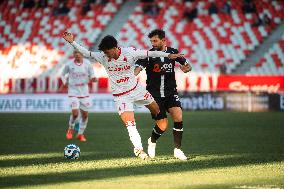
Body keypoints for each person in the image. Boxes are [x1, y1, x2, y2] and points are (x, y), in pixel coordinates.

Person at [62, 31, 183, 160]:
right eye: (104, 53)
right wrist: (72, 42)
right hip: (121, 96)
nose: (106, 55)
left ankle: (152, 139)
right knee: (130, 124)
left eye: (108, 52)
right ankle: (139, 150)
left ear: (115, 48)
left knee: (158, 112)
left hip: (137, 90)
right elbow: (87, 53)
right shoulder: (102, 56)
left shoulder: (130, 52)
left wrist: (168, 55)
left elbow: (151, 53)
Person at [134, 29, 192, 160]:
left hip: (171, 92)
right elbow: (137, 69)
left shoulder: (173, 52)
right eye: (151, 41)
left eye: (155, 41)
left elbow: (188, 66)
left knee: (178, 116)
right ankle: (152, 140)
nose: (153, 43)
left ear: (163, 40)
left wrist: (186, 69)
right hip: (154, 95)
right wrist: (132, 76)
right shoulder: (148, 55)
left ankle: (177, 150)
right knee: (163, 125)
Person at [60, 50, 97, 142]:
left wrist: (93, 78)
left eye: (79, 53)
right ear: (74, 55)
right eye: (75, 53)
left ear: (82, 55)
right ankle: (70, 128)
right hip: (73, 92)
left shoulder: (87, 64)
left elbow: (92, 74)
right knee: (75, 113)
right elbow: (62, 74)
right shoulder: (69, 64)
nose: (77, 55)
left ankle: (80, 134)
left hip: (84, 93)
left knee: (85, 116)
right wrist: (65, 82)